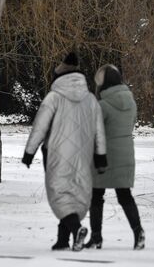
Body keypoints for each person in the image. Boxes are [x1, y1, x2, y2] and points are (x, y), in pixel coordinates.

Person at [22, 52, 107, 252]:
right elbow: (99, 131)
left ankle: (76, 229)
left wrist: (29, 152)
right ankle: (63, 240)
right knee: (75, 194)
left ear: (58, 77)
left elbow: (40, 126)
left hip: (56, 154)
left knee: (59, 193)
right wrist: (101, 156)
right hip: (83, 155)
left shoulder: (54, 97)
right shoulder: (90, 99)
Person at [84, 64, 145, 250]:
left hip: (104, 156)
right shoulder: (131, 103)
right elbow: (132, 124)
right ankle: (138, 232)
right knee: (125, 195)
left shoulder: (102, 105)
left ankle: (96, 238)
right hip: (126, 154)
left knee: (96, 196)